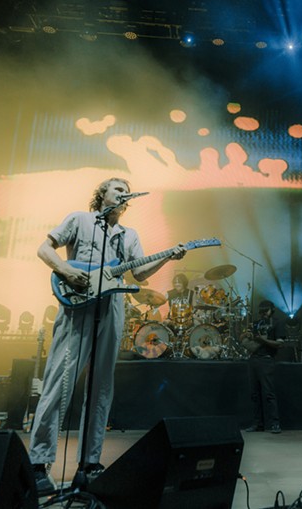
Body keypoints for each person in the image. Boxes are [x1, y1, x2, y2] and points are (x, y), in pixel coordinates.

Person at [29, 178, 184, 494]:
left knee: (101, 388)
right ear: (102, 194)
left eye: (126, 190)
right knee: (60, 382)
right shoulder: (79, 219)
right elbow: (45, 248)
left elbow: (139, 273)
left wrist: (168, 256)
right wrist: (66, 271)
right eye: (117, 188)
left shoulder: (129, 235)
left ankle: (89, 464)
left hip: (112, 306)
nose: (123, 192)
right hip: (77, 305)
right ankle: (38, 463)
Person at [241, 300, 286, 433]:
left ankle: (275, 423)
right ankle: (257, 424)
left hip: (267, 360)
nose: (263, 314)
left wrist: (263, 340)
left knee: (269, 393)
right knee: (254, 394)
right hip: (253, 359)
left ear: (272, 310)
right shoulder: (257, 323)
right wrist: (246, 336)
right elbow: (246, 339)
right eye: (261, 311)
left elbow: (280, 344)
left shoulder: (277, 323)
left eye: (265, 311)